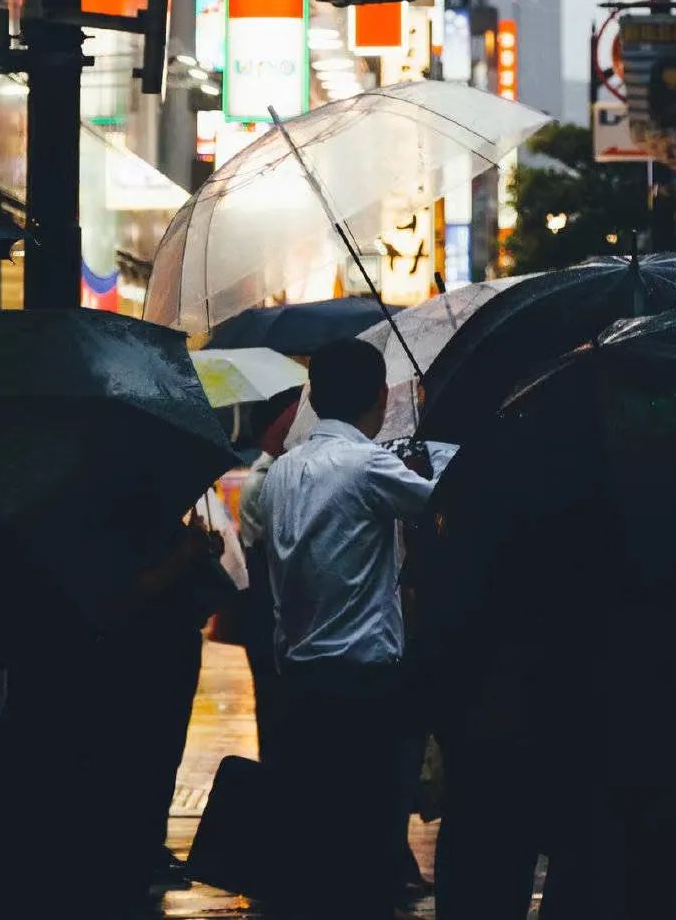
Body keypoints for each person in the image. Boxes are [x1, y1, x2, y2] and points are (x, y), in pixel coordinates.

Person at [258, 339, 435, 920]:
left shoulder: (283, 470)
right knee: (366, 843)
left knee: (316, 841)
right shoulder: (368, 465)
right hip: (365, 684)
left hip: (300, 681)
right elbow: (442, 506)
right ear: (381, 398)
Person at [239, 396, 299, 762]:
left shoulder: (277, 474)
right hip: (267, 612)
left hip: (271, 611)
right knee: (275, 709)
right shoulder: (264, 482)